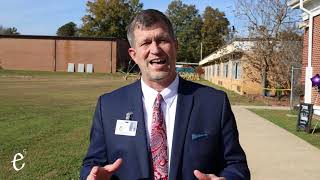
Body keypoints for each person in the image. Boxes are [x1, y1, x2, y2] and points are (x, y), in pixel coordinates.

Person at [80, 9, 250, 180]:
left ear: (175, 47)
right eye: (145, 43)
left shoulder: (214, 103)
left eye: (162, 40)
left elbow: (236, 166)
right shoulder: (109, 105)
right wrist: (91, 176)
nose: (155, 49)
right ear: (134, 54)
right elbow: (92, 163)